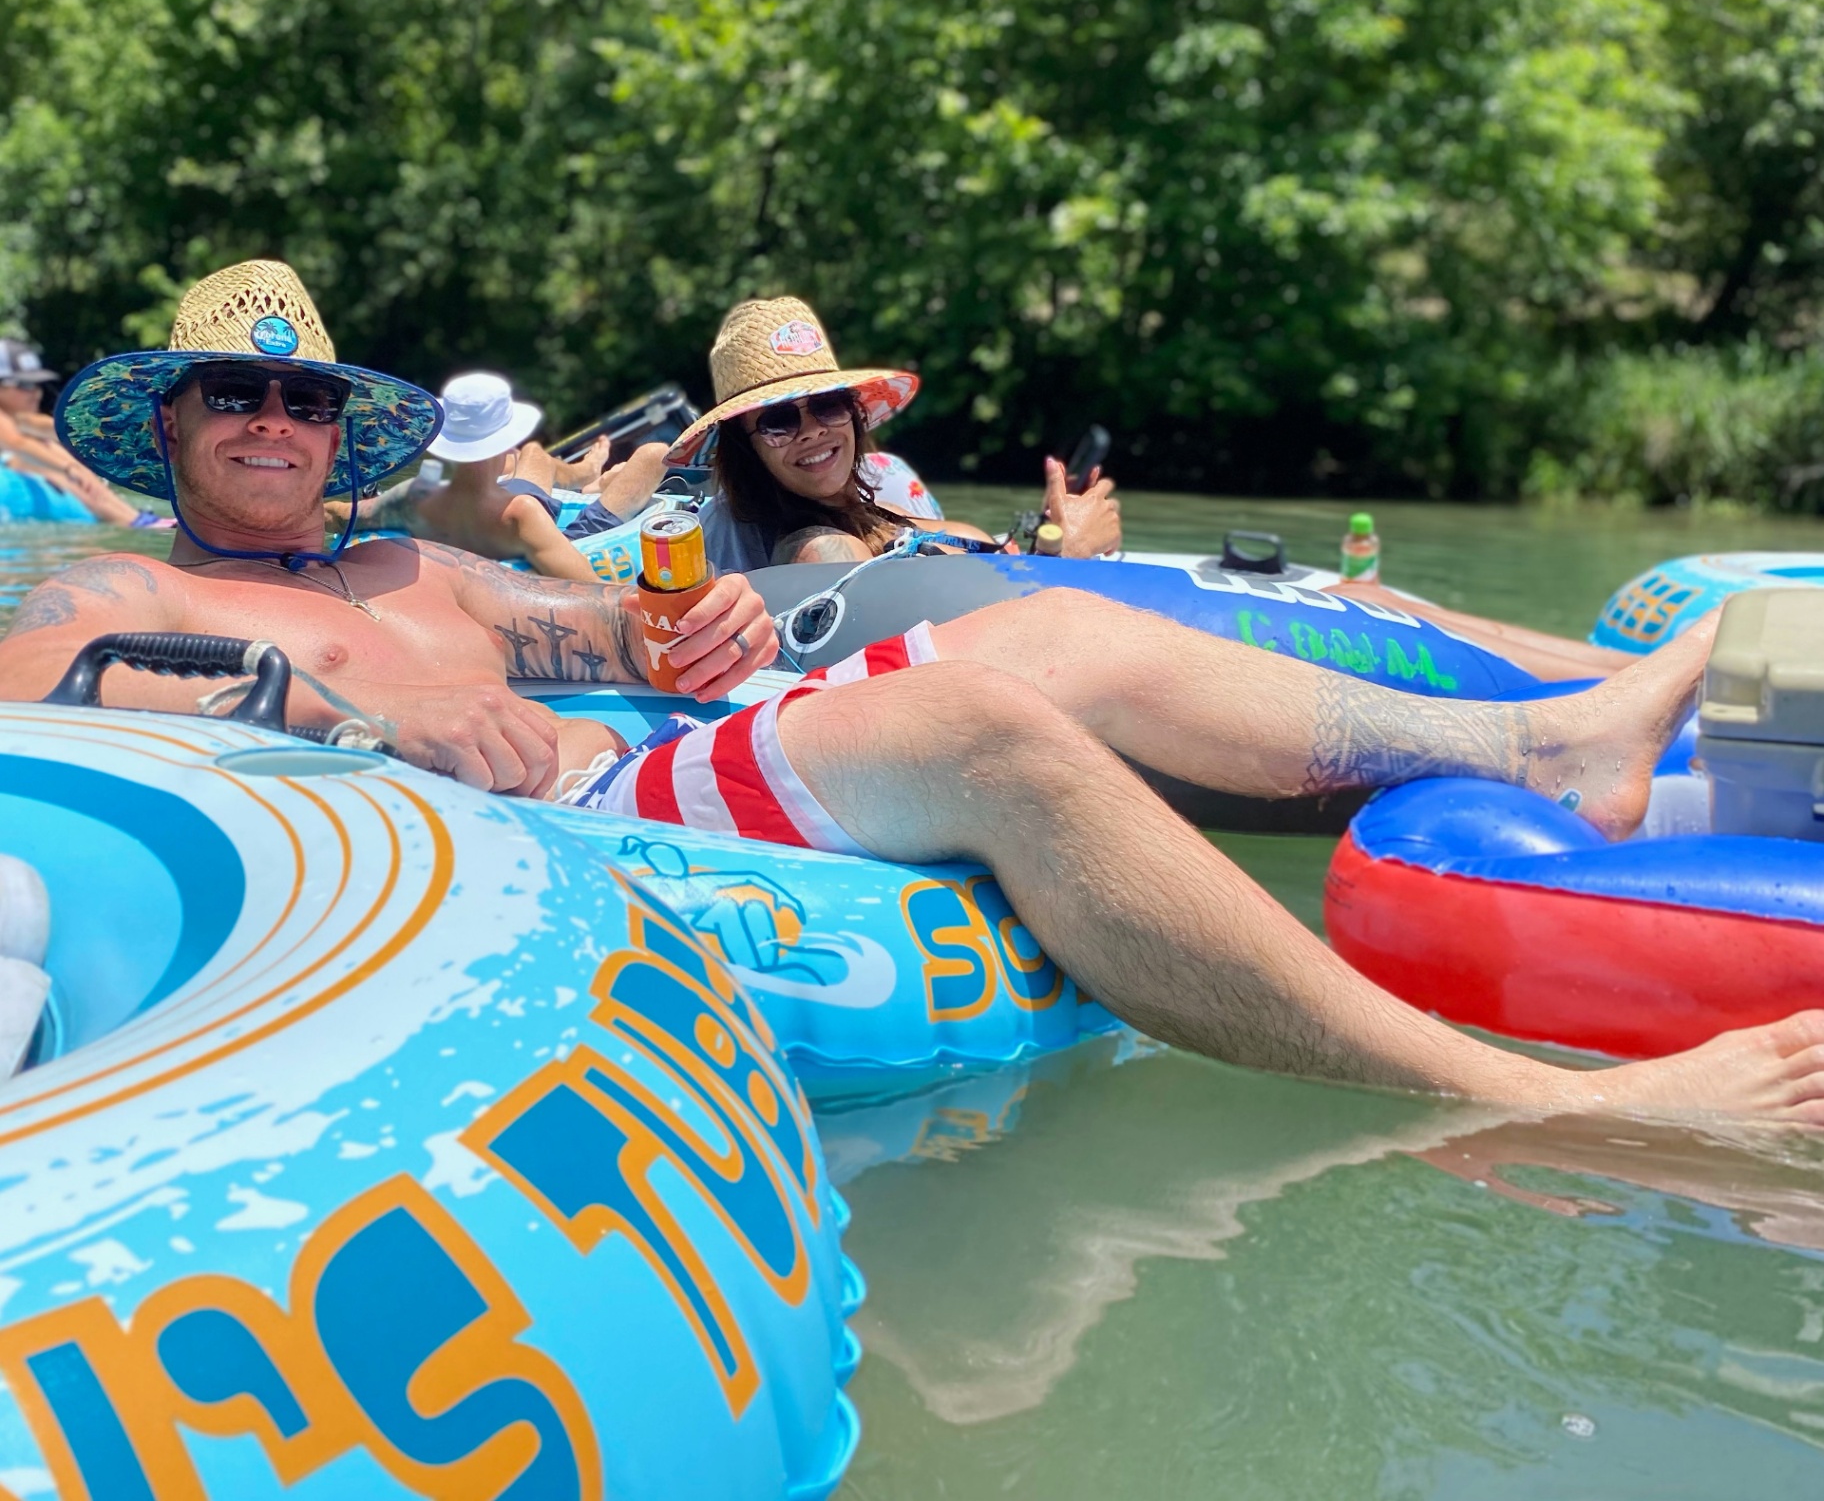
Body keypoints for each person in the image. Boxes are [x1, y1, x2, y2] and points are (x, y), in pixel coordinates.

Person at [8, 262, 1824, 1123]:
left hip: (641, 771)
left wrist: (679, 637)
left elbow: (615, 634)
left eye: (308, 400)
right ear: (161, 422)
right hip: (509, 842)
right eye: (232, 396)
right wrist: (351, 721)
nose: (275, 422)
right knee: (980, 723)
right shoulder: (117, 583)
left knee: (1045, 633)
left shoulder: (420, 565)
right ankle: (1532, 1096)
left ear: (347, 431)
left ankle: (1548, 736)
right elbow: (51, 696)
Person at [668, 297, 1122, 569]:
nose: (811, 431)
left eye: (827, 405)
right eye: (778, 421)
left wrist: (1047, 540)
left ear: (853, 413)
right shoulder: (821, 551)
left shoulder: (870, 513)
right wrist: (1068, 557)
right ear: (745, 448)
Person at [336, 370, 669, 580]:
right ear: (507, 441)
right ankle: (591, 478)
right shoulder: (521, 514)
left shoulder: (412, 500)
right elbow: (596, 592)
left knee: (535, 456)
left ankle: (590, 476)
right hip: (568, 539)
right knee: (656, 455)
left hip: (496, 511)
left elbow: (342, 515)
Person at [0, 338, 164, 527]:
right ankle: (129, 519)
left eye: (38, 385)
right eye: (25, 385)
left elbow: (51, 428)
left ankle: (131, 516)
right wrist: (69, 469)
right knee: (38, 463)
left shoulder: (19, 418)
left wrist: (97, 435)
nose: (36, 393)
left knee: (47, 447)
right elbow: (17, 443)